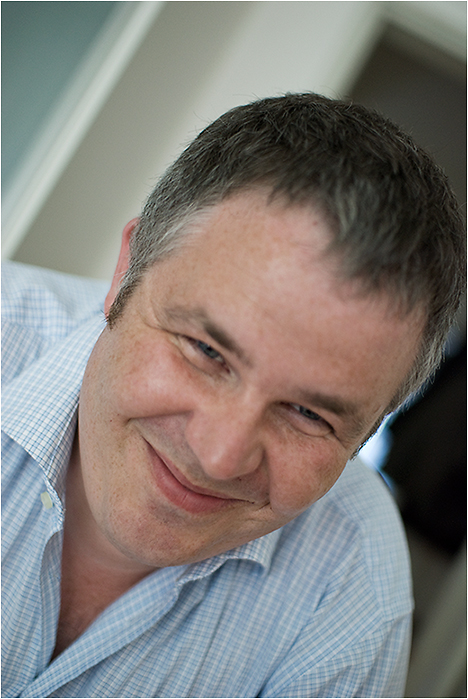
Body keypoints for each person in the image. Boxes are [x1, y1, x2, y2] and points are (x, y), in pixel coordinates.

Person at [2, 93, 465, 699]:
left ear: (373, 427)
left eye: (308, 414)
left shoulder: (353, 588)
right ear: (126, 272)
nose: (219, 457)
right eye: (207, 351)